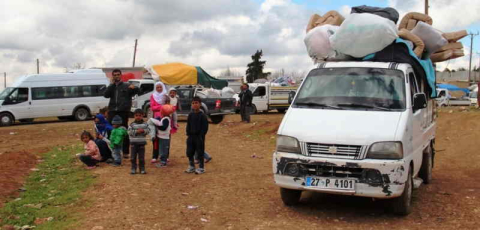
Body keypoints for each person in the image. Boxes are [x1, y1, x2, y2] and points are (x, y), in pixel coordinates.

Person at [104, 69, 139, 159]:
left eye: (118, 74)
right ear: (112, 76)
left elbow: (138, 91)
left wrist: (134, 88)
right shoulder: (111, 86)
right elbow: (106, 95)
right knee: (110, 130)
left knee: (124, 130)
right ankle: (112, 151)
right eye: (115, 75)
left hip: (123, 111)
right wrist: (111, 84)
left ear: (121, 75)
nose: (116, 76)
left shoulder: (126, 85)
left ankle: (126, 152)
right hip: (112, 110)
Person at [184, 97, 209, 174]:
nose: (195, 105)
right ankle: (191, 166)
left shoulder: (203, 116)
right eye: (193, 103)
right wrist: (188, 133)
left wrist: (201, 136)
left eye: (196, 103)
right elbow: (188, 125)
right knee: (189, 152)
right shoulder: (190, 115)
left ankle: (201, 168)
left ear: (200, 104)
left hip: (199, 137)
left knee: (200, 152)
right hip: (191, 137)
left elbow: (205, 128)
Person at [128, 109, 151, 174]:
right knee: (133, 157)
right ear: (134, 116)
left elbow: (148, 130)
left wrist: (143, 131)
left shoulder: (145, 124)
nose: (138, 117)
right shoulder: (132, 124)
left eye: (140, 115)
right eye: (136, 115)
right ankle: (133, 168)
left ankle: (142, 169)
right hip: (133, 143)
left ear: (142, 116)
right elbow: (129, 132)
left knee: (141, 158)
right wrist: (136, 131)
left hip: (141, 143)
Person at [150, 82, 168, 163]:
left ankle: (165, 155)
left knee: (165, 137)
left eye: (160, 87)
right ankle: (155, 156)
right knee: (155, 137)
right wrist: (162, 106)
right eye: (157, 87)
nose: (159, 89)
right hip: (156, 118)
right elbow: (152, 108)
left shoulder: (166, 96)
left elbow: (169, 106)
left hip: (165, 118)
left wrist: (160, 107)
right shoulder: (153, 96)